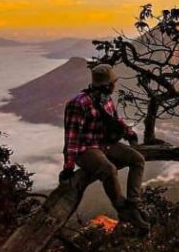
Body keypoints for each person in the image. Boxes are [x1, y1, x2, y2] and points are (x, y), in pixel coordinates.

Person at [59, 64, 150, 229]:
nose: (115, 85)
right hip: (85, 149)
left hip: (104, 143)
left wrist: (129, 134)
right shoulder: (78, 104)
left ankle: (134, 205)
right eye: (113, 82)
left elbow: (115, 120)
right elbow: (72, 138)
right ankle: (123, 209)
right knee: (108, 169)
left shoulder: (106, 99)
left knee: (137, 159)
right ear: (108, 84)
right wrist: (68, 167)